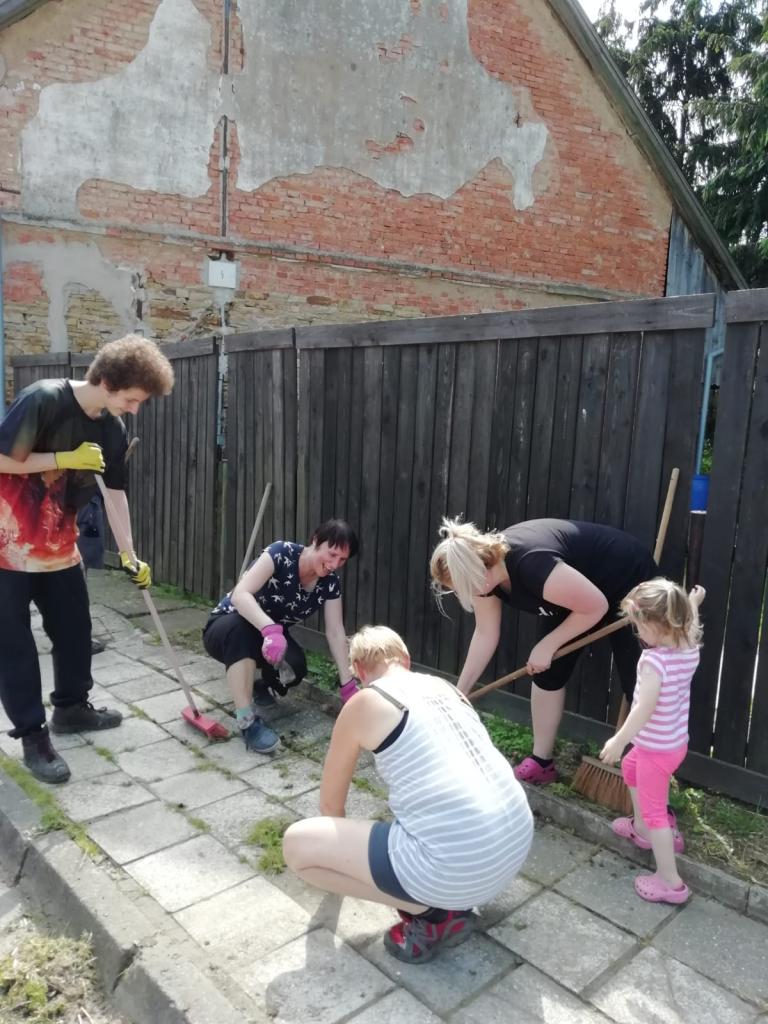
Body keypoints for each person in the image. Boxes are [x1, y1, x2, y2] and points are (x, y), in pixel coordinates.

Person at [282, 625, 533, 965]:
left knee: (297, 847)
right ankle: (444, 894)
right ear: (406, 660)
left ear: (359, 671)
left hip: (460, 865)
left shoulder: (364, 702)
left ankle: (432, 912)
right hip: (512, 847)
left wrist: (339, 859)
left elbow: (330, 804)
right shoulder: (446, 687)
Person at [0, 334, 174, 784]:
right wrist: (63, 457)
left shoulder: (111, 429)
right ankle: (32, 736)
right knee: (14, 647)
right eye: (132, 399)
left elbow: (115, 493)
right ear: (107, 382)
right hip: (8, 548)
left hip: (60, 548)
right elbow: (2, 458)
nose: (135, 409)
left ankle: (72, 709)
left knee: (75, 633)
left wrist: (130, 554)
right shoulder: (44, 400)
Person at [429, 517, 657, 784]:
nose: (463, 595)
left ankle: (652, 782)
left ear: (479, 570)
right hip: (577, 594)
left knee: (641, 683)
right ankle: (542, 762)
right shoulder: (484, 577)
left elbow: (595, 607)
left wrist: (547, 644)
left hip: (627, 580)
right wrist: (460, 693)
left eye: (463, 588)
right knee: (547, 674)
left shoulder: (531, 563)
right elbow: (485, 633)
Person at [202, 520, 359, 754]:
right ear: (316, 540)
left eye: (343, 559)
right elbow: (240, 595)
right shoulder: (280, 553)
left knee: (295, 668)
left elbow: (335, 631)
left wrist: (347, 684)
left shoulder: (330, 584)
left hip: (269, 639)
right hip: (227, 626)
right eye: (332, 554)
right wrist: (270, 629)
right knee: (241, 631)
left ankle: (258, 684)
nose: (334, 564)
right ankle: (246, 722)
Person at [600, 579, 704, 905]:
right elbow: (689, 623)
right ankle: (643, 829)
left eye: (639, 625)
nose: (637, 632)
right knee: (630, 767)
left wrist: (619, 740)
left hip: (655, 751)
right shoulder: (688, 646)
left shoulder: (653, 663)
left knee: (657, 812)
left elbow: (644, 708)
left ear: (659, 624)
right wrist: (694, 604)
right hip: (673, 744)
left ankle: (670, 883)